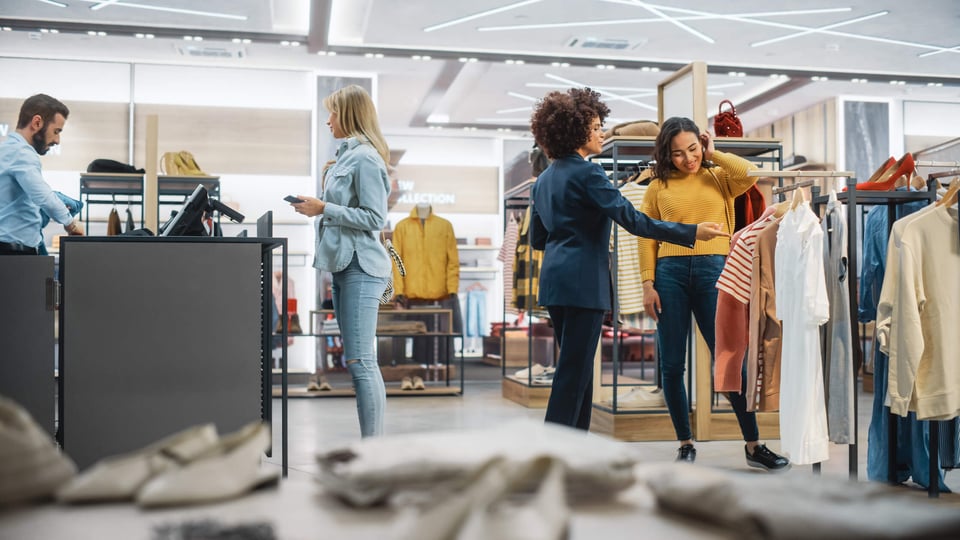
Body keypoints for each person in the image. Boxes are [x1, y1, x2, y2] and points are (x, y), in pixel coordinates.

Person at [528, 88, 727, 430]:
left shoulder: (543, 179)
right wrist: (691, 232)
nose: (601, 132)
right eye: (595, 127)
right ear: (578, 132)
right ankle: (553, 453)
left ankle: (575, 450)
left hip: (555, 282)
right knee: (572, 376)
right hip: (583, 284)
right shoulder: (589, 174)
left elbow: (538, 239)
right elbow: (634, 220)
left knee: (576, 373)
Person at [639, 116, 790, 470]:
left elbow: (749, 173)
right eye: (677, 153)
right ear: (666, 154)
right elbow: (646, 237)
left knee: (730, 358)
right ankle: (685, 442)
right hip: (669, 274)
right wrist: (648, 284)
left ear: (702, 144)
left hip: (715, 272)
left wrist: (714, 153)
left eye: (692, 148)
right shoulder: (656, 188)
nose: (688, 159)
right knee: (673, 364)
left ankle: (753, 445)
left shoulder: (720, 178)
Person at [289, 85, 391, 437]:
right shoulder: (346, 157)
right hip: (346, 266)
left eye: (332, 113)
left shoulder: (365, 158)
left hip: (362, 266)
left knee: (362, 362)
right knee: (357, 361)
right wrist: (319, 206)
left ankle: (373, 449)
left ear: (347, 114)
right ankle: (372, 446)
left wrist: (324, 208)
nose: (328, 120)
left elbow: (375, 218)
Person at [0, 94, 84, 255]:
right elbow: (43, 196)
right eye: (56, 131)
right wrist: (71, 224)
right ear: (37, 122)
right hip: (14, 254)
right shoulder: (21, 152)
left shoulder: (7, 150)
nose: (57, 140)